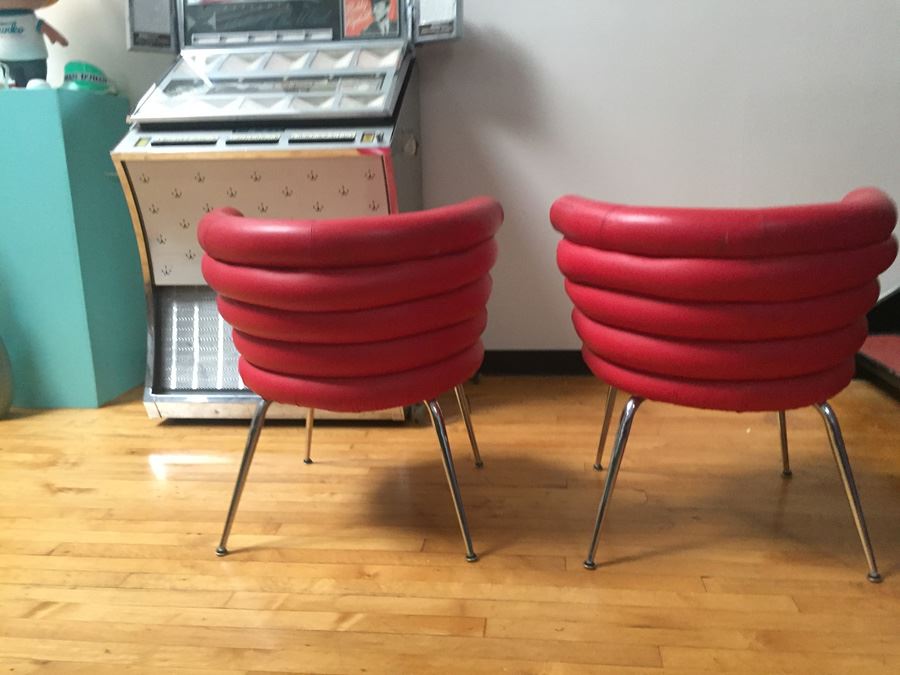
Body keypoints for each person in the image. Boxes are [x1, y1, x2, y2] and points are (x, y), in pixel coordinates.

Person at [0, 0, 67, 87]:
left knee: (36, 85)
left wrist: (56, 37)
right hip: (7, 62)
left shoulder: (29, 18)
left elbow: (43, 26)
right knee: (13, 87)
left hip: (33, 60)